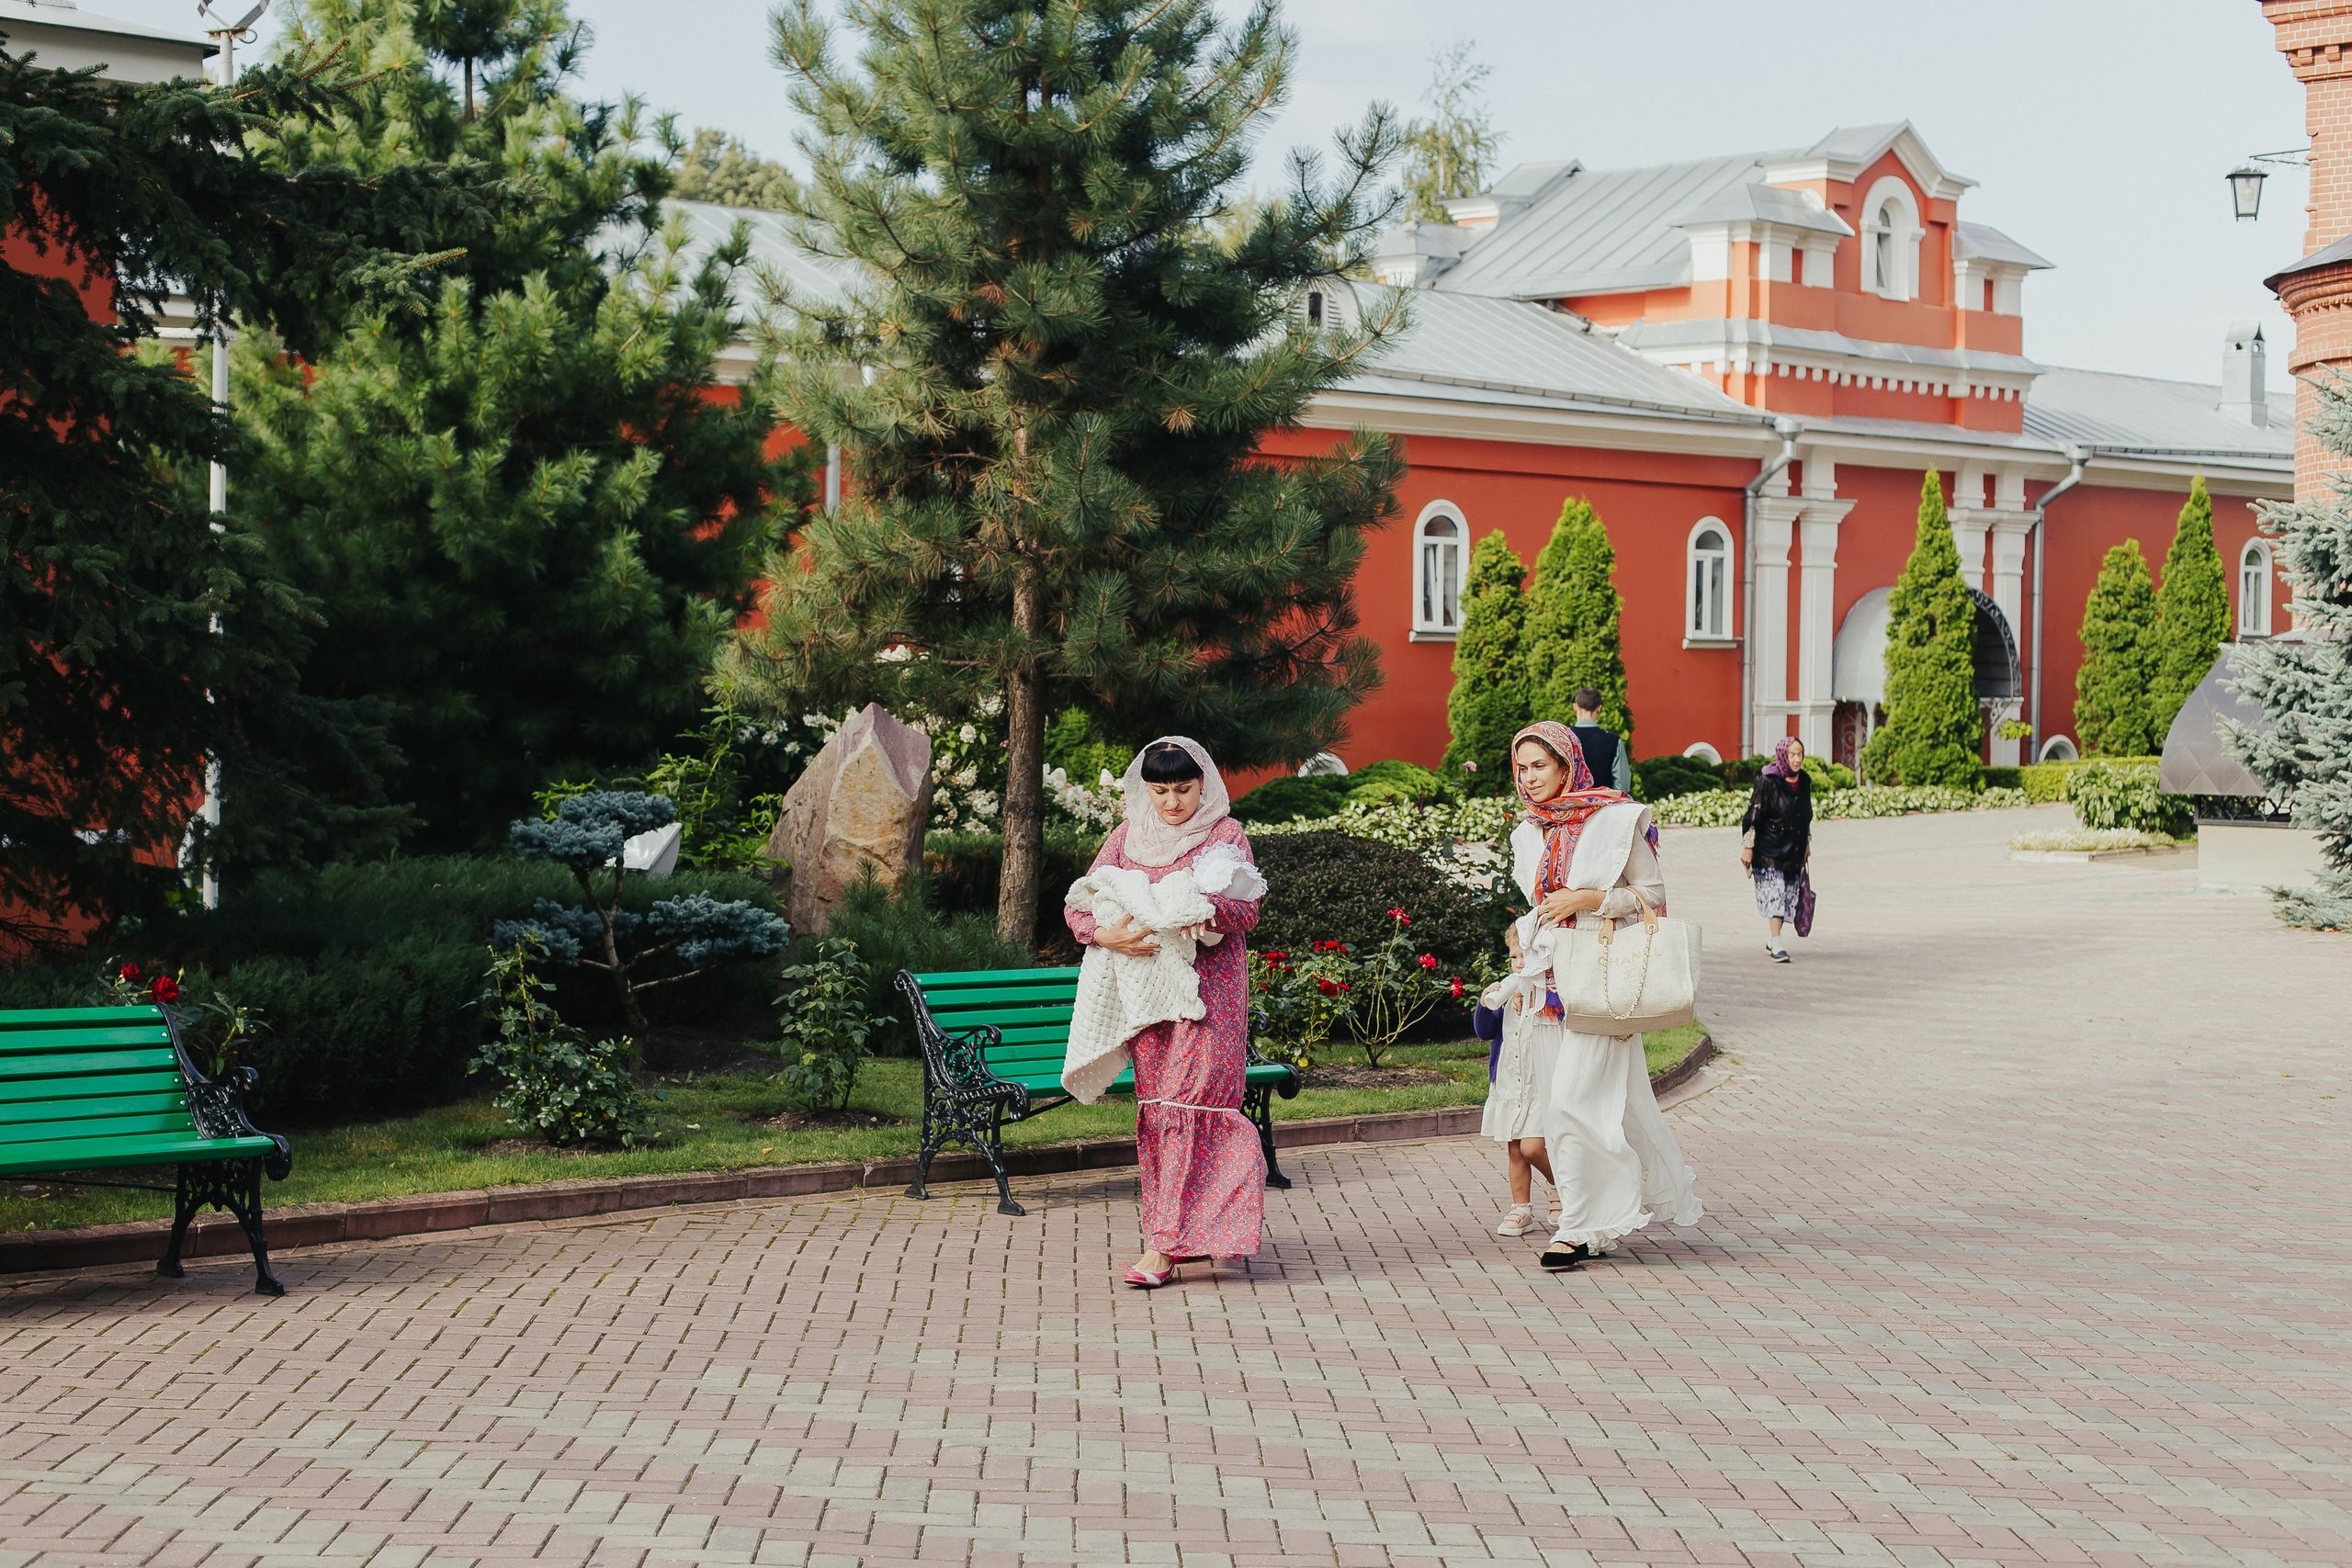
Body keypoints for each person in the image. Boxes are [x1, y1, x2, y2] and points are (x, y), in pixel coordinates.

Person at [1066, 737, 1267, 1289]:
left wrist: (1202, 912)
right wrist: (1105, 934)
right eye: (1160, 790)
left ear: (1204, 783)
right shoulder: (1126, 838)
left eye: (1183, 788)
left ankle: (1165, 1245)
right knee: (1161, 1111)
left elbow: (1246, 910)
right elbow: (1079, 902)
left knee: (1198, 1106)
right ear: (1145, 789)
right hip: (1144, 1000)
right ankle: (1181, 1233)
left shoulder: (1225, 835)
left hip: (1210, 997)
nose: (1173, 802)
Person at [1505, 721, 1703, 1271]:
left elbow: (1653, 895)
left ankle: (1575, 1227)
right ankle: (1588, 1221)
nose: (1528, 778)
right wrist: (1520, 953)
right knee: (1564, 1108)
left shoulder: (1616, 820)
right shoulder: (1529, 832)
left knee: (1572, 1102)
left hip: (1603, 977)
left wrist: (1590, 898)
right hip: (1548, 985)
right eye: (1521, 768)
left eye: (1539, 766)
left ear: (1567, 766)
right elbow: (1537, 906)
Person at [1739, 736, 1814, 963]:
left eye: (1800, 754)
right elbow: (1753, 816)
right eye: (1792, 754)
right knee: (1775, 894)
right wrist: (1748, 847)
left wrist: (1807, 843)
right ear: (1783, 755)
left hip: (1794, 849)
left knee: (1788, 895)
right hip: (1768, 850)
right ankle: (1777, 941)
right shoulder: (1768, 780)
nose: (1797, 759)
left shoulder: (1805, 781)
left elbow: (1806, 815)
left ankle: (1773, 939)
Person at [1569, 686, 1634, 795]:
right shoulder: (1613, 740)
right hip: (1603, 808)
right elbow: (1622, 786)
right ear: (1599, 709)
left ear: (1575, 707)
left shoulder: (1564, 738)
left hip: (1571, 807)